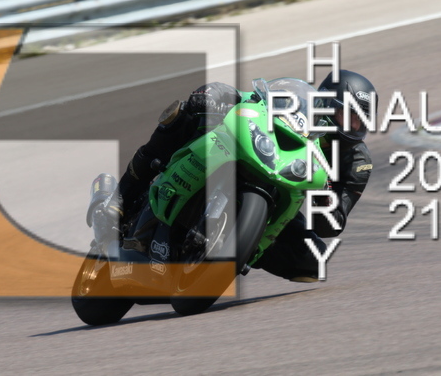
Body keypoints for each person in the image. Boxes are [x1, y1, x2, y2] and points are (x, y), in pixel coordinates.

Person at [89, 70, 377, 282]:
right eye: (349, 115)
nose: (355, 125)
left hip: (284, 196)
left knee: (314, 262)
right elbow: (252, 100)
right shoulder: (296, 103)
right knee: (184, 116)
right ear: (326, 104)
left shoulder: (357, 162)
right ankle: (119, 199)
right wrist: (213, 94)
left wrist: (325, 196)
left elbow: (332, 223)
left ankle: (238, 247)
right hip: (253, 154)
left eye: (361, 119)